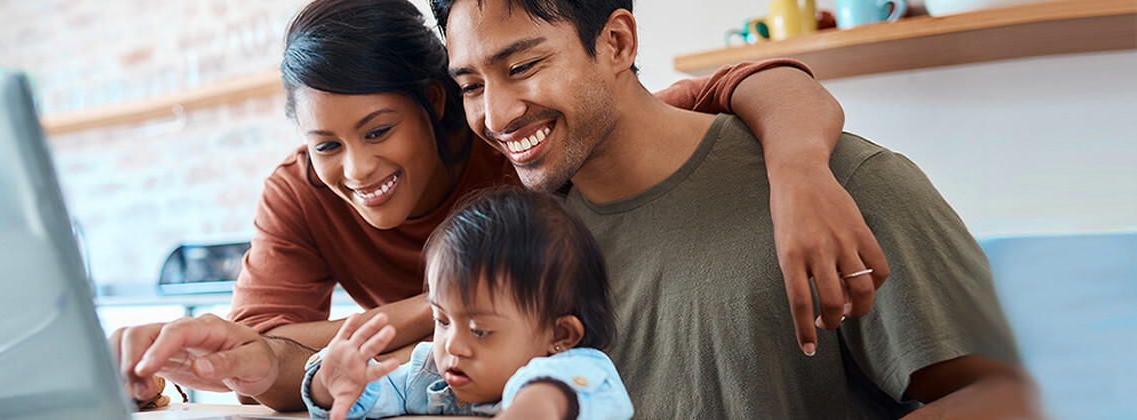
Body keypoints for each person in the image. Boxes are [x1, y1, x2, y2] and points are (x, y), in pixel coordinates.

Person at [110, 0, 889, 411]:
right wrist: (437, 318)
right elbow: (276, 356)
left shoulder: (528, 144)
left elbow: (743, 85)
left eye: (379, 129)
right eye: (325, 143)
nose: (357, 167)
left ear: (433, 103)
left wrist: (799, 172)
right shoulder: (303, 188)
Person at [433, 0, 1037, 418]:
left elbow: (1006, 401)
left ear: (617, 42)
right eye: (471, 86)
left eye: (522, 67)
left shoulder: (843, 185)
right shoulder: (534, 243)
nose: (497, 113)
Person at [304, 188, 631, 419]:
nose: (452, 346)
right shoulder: (430, 372)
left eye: (480, 330)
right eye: (442, 320)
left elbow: (549, 397)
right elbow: (374, 395)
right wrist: (328, 384)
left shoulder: (576, 370)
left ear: (559, 336)